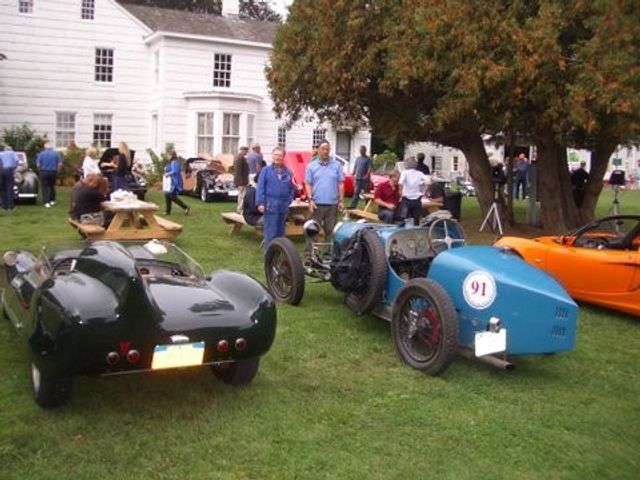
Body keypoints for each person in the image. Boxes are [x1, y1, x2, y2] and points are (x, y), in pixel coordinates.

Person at [304, 139, 345, 247]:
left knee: (331, 231)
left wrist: (341, 200)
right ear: (318, 150)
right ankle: (311, 254)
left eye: (327, 149)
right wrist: (310, 199)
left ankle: (329, 253)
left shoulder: (337, 165)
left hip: (332, 205)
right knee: (313, 230)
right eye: (323, 149)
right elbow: (308, 184)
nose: (325, 151)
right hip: (316, 204)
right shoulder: (311, 166)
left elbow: (341, 184)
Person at [256, 147, 295, 247]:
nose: (277, 157)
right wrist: (260, 203)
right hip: (270, 203)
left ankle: (279, 253)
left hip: (283, 205)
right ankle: (269, 254)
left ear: (283, 157)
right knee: (271, 232)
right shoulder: (266, 170)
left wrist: (289, 200)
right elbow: (260, 187)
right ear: (272, 156)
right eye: (275, 155)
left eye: (280, 155)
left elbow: (292, 187)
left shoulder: (288, 172)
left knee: (280, 232)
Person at [398, 156, 428, 225]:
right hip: (417, 199)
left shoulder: (404, 173)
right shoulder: (420, 173)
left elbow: (400, 183)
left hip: (406, 198)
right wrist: (424, 192)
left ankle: (404, 228)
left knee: (404, 217)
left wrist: (400, 192)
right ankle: (415, 228)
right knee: (416, 219)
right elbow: (428, 181)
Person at [163, 150, 190, 215]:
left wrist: (168, 174)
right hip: (172, 182)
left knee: (172, 196)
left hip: (175, 182)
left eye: (168, 155)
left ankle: (186, 207)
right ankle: (168, 211)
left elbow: (175, 171)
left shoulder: (175, 162)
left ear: (171, 156)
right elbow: (170, 169)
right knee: (167, 194)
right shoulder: (172, 162)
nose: (167, 156)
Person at [36, 141, 62, 208]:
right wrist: (58, 171)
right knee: (52, 186)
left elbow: (38, 164)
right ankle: (52, 200)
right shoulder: (56, 154)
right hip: (53, 172)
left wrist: (40, 170)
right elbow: (59, 164)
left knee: (44, 187)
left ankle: (46, 202)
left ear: (45, 147)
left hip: (44, 171)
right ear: (52, 147)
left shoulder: (41, 154)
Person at [349, 145, 373, 209]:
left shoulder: (368, 159)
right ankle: (352, 206)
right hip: (358, 179)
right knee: (356, 193)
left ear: (365, 151)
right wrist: (353, 173)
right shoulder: (358, 158)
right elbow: (355, 167)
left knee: (367, 194)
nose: (361, 151)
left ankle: (368, 207)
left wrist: (367, 175)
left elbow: (369, 168)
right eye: (360, 150)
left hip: (365, 180)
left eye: (362, 150)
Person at [0, 146, 19, 211]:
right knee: (10, 188)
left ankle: (3, 205)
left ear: (5, 149)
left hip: (1, 170)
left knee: (3, 188)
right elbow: (16, 160)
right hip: (9, 170)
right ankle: (10, 206)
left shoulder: (1, 153)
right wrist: (14, 167)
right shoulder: (13, 153)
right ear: (11, 149)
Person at [234, 145, 250, 213]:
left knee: (241, 195)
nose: (247, 152)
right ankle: (240, 209)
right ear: (243, 151)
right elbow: (238, 171)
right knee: (242, 195)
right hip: (241, 180)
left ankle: (240, 208)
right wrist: (241, 181)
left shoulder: (238, 157)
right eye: (246, 151)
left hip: (241, 179)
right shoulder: (240, 158)